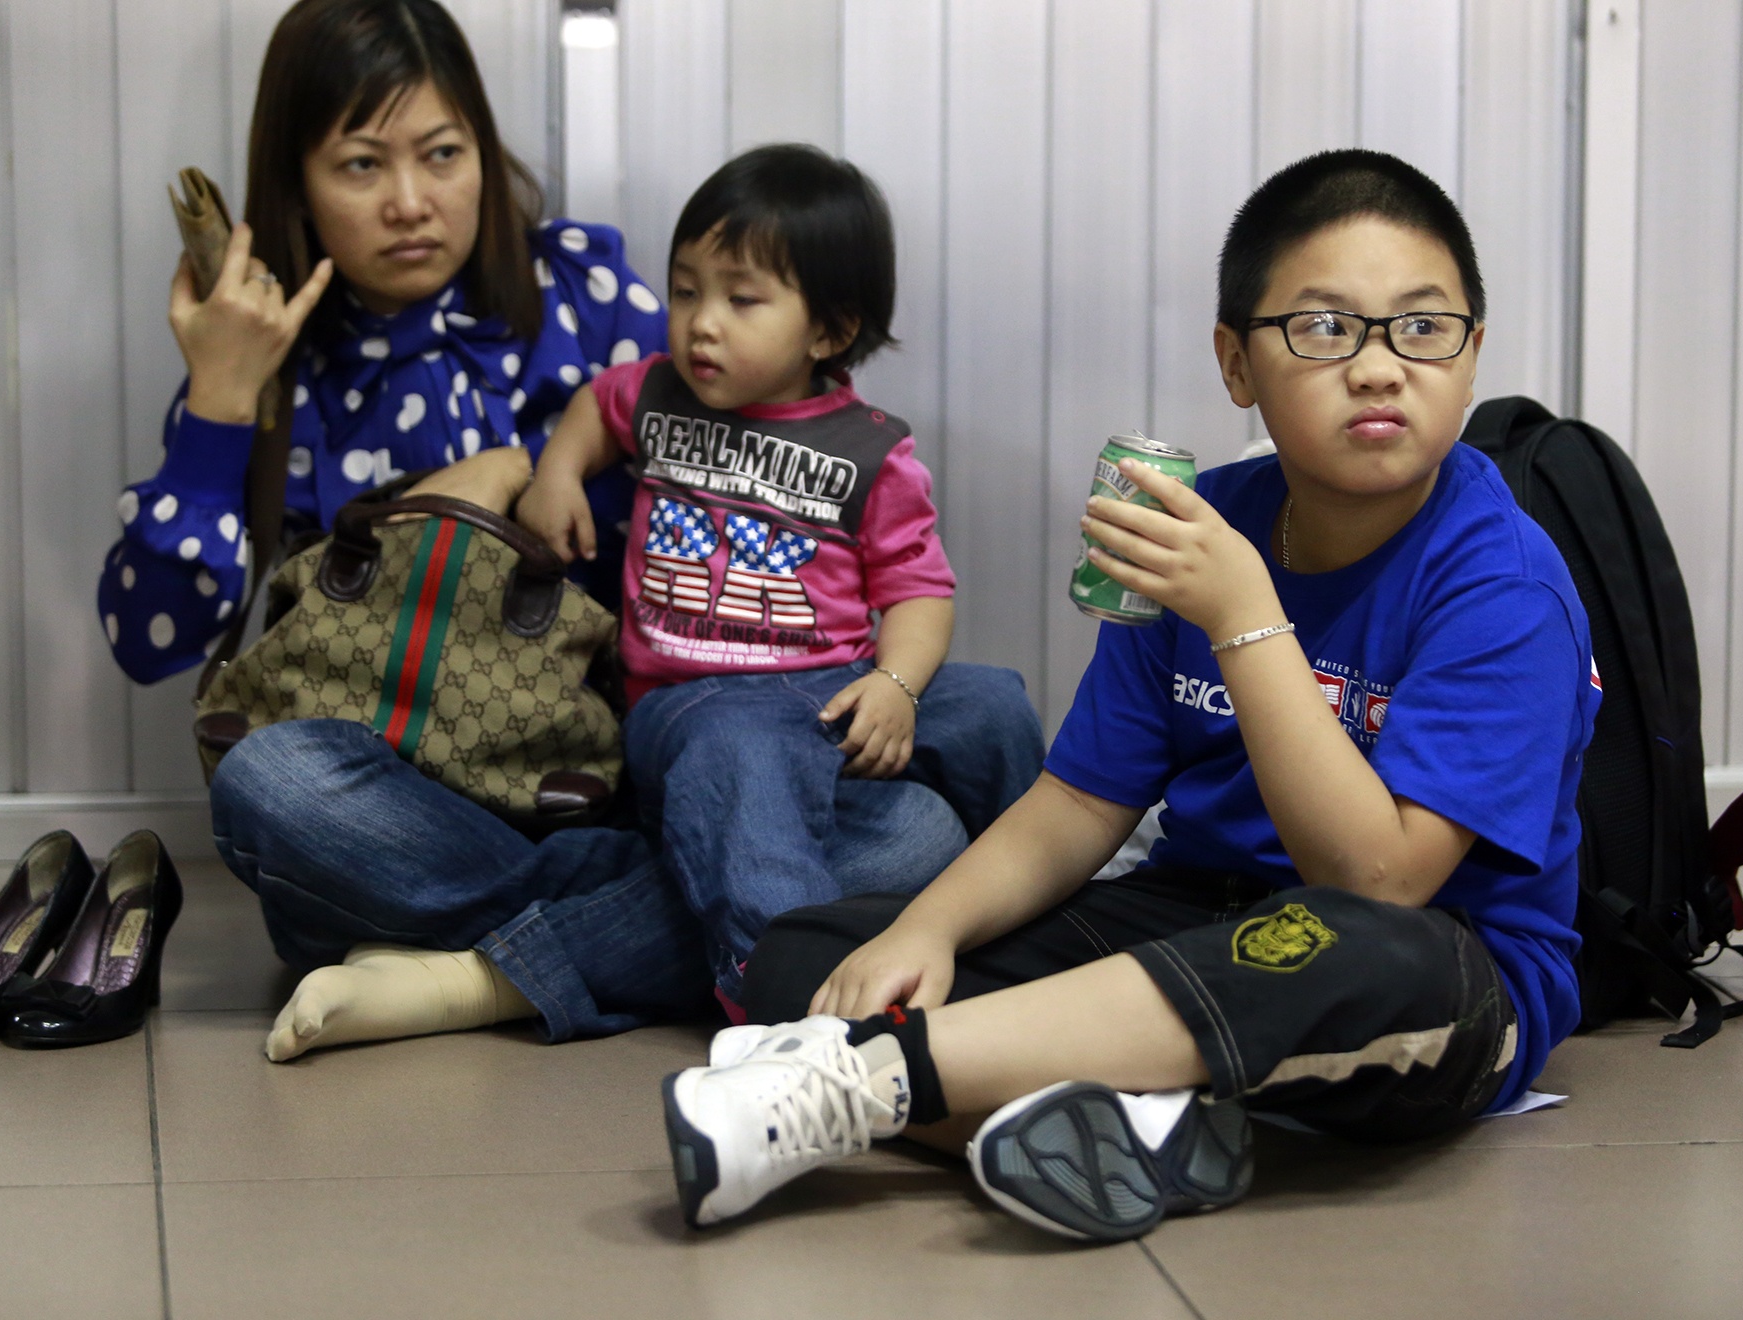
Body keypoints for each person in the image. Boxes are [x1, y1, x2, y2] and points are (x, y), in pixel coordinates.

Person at [657, 148, 1602, 1242]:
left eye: (1423, 327)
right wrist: (925, 930)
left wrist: (1245, 615)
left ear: (1472, 355)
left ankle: (853, 1087)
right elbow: (1081, 801)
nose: (1381, 368)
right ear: (1236, 363)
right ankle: (1152, 1133)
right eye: (1325, 327)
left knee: (1367, 954)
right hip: (1195, 912)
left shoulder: (1504, 583)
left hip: (1427, 960)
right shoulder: (1204, 524)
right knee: (816, 954)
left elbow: (1378, 880)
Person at [99, 0, 990, 1060]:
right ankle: (651, 929)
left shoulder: (586, 293)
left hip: (620, 777)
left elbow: (766, 436)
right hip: (404, 802)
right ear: (296, 181)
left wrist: (528, 464)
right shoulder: (270, 359)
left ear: (484, 151)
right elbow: (153, 640)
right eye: (362, 166)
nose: (412, 203)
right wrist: (221, 399)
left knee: (915, 828)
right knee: (268, 783)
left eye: (443, 154)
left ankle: (474, 974)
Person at [517, 145, 1044, 1009]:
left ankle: (1034, 908)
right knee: (745, 754)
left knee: (995, 704)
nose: (701, 323)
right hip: (694, 706)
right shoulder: (654, 394)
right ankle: (782, 990)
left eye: (741, 299)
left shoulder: (872, 450)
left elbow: (917, 589)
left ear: (828, 331)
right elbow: (594, 408)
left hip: (835, 690)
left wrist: (896, 685)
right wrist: (557, 474)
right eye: (685, 291)